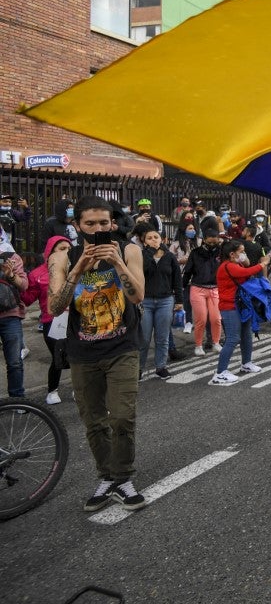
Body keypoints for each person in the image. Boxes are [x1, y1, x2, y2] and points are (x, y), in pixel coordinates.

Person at [48, 196, 147, 510]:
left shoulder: (129, 250)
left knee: (122, 418)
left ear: (112, 223)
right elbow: (55, 306)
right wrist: (79, 268)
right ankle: (107, 477)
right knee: (93, 422)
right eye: (90, 223)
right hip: (83, 353)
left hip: (122, 348)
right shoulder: (63, 257)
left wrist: (117, 263)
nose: (98, 229)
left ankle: (124, 477)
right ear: (77, 225)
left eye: (104, 223)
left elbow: (137, 296)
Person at [20, 236, 71, 403]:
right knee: (59, 356)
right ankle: (52, 391)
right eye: (61, 249)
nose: (66, 252)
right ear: (50, 252)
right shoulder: (37, 274)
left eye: (68, 249)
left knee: (78, 356)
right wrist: (14, 280)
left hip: (76, 320)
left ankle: (79, 388)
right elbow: (27, 299)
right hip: (52, 322)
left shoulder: (77, 268)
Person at [211, 240, 269, 385]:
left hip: (241, 305)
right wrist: (263, 264)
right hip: (229, 307)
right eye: (241, 251)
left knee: (246, 335)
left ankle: (246, 363)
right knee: (233, 338)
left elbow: (247, 267)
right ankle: (220, 373)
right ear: (232, 254)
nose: (244, 254)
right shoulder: (227, 266)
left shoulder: (236, 263)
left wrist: (245, 259)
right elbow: (247, 272)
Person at [138, 228, 183, 379]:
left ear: (162, 239)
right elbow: (141, 270)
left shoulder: (169, 257)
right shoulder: (142, 255)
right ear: (144, 242)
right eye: (149, 238)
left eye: (156, 237)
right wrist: (150, 252)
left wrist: (180, 300)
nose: (153, 240)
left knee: (162, 337)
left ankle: (161, 366)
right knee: (144, 337)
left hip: (165, 300)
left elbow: (177, 279)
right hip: (146, 301)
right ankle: (138, 368)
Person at [182, 228, 223, 356]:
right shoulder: (196, 253)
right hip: (197, 288)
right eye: (209, 242)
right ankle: (198, 345)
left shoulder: (221, 252)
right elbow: (187, 271)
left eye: (214, 242)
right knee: (201, 319)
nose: (212, 245)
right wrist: (182, 288)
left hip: (215, 288)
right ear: (204, 240)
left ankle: (216, 342)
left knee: (216, 318)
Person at [0, 246, 28, 398]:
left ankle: (17, 398)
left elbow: (24, 285)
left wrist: (10, 274)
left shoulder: (11, 256)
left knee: (14, 362)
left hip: (10, 315)